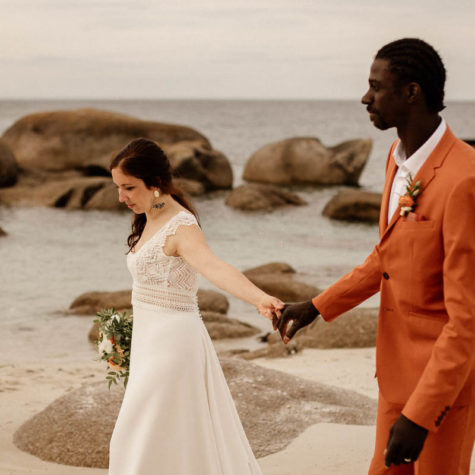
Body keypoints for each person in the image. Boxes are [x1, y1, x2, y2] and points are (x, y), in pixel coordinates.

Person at [275, 38, 475, 474]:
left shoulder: (464, 180)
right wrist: (317, 306)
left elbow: (467, 321)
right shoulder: (395, 159)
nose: (365, 97)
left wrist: (422, 414)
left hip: (440, 391)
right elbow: (387, 257)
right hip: (393, 377)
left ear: (411, 92)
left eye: (376, 86)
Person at [108, 138, 283, 475]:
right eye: (118, 187)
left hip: (174, 345)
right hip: (150, 343)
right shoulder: (150, 216)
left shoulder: (181, 226)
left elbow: (214, 267)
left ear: (155, 183)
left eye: (128, 187)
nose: (121, 197)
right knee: (163, 439)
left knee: (140, 437)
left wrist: (260, 298)